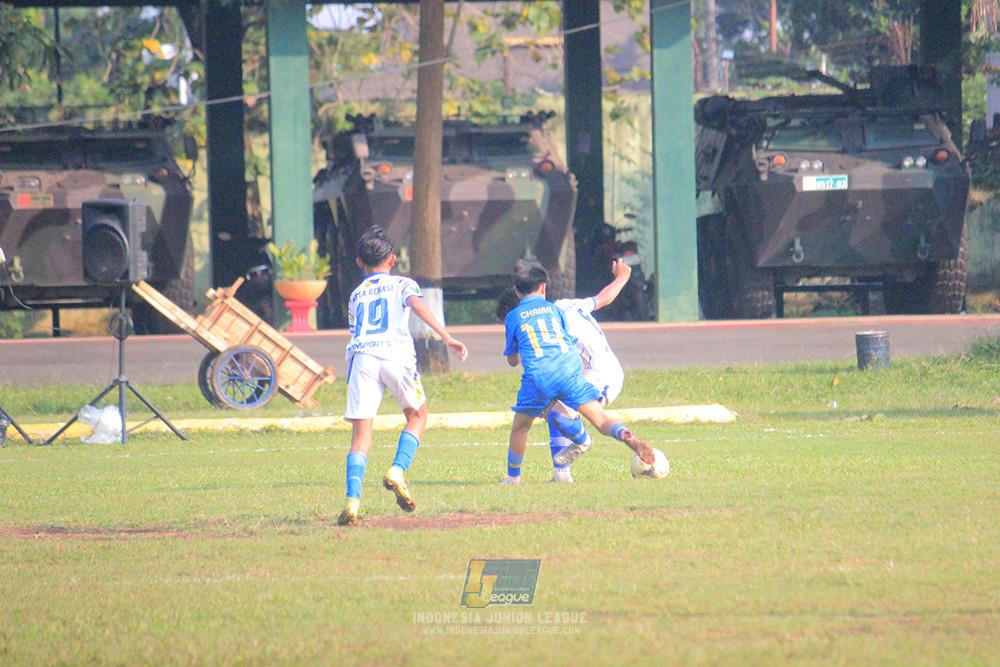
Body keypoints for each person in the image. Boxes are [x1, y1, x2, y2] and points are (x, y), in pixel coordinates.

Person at [338, 225, 469, 526]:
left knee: (360, 437)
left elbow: (354, 329)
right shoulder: (402, 285)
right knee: (417, 416)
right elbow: (416, 303)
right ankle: (397, 470)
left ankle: (353, 503)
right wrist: (446, 337)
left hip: (362, 359)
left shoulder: (356, 295)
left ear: (359, 263)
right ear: (393, 260)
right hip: (396, 355)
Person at [498, 259, 655, 485]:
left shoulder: (520, 317)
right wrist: (622, 278)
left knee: (552, 416)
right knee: (560, 413)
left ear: (517, 295)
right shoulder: (563, 306)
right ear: (543, 287)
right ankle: (565, 473)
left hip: (600, 373)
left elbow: (534, 357)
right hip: (580, 370)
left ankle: (563, 463)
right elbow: (604, 299)